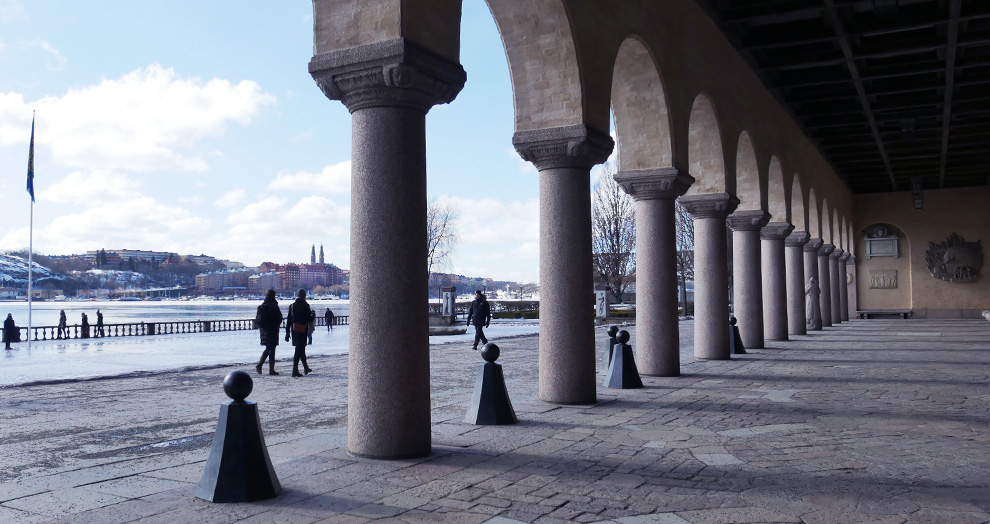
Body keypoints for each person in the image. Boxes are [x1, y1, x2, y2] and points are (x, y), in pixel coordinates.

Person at [285, 289, 313, 377]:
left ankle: (305, 367)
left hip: (294, 330)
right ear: (304, 296)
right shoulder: (306, 305)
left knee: (300, 349)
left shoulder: (292, 306)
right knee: (299, 350)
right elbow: (309, 319)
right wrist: (313, 315)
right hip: (303, 329)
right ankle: (295, 370)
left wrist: (287, 333)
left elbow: (289, 320)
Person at [255, 289, 284, 375]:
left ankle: (260, 365)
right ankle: (271, 369)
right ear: (273, 296)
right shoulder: (274, 306)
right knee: (272, 348)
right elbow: (279, 318)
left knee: (268, 348)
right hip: (272, 329)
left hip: (264, 330)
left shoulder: (263, 305)